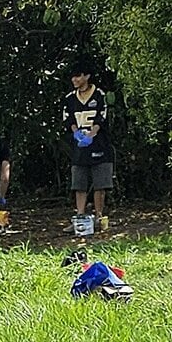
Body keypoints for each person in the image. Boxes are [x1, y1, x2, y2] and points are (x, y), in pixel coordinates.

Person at [64, 64, 113, 223]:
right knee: (79, 183)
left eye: (78, 76)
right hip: (79, 149)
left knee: (100, 184)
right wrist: (76, 133)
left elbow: (102, 117)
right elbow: (69, 119)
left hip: (99, 146)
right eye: (73, 77)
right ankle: (80, 216)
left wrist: (92, 134)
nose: (74, 80)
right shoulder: (70, 98)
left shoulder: (99, 95)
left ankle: (99, 216)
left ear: (87, 76)